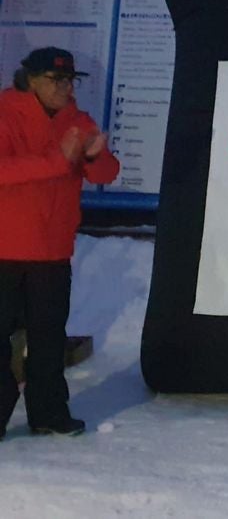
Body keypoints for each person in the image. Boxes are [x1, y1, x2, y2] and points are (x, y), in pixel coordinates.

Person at [0, 47, 119, 439]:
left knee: (49, 339)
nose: (65, 88)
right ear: (30, 79)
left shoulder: (76, 119)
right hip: (6, 250)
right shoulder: (5, 112)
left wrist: (94, 156)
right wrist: (57, 161)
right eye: (56, 80)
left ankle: (49, 413)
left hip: (53, 252)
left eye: (70, 80)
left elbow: (106, 173)